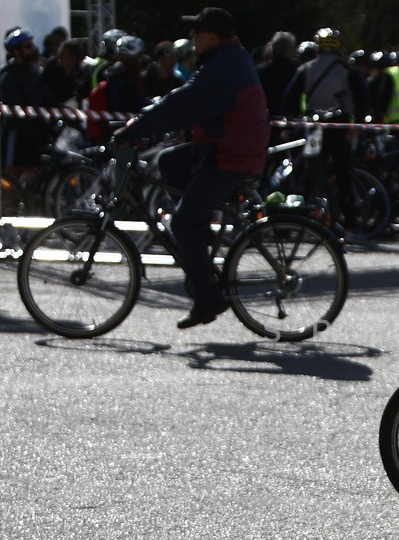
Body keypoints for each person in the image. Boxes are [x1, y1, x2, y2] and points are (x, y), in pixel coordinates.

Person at [113, 7, 270, 329]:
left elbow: (184, 102)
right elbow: (182, 100)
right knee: (168, 160)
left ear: (211, 36)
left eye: (195, 32)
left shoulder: (223, 67)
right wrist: (148, 117)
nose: (191, 38)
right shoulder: (225, 59)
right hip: (224, 146)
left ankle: (208, 297)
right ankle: (199, 231)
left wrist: (134, 130)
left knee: (182, 223)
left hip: (231, 155)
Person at [281, 28, 360, 229]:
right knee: (343, 174)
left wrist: (290, 123)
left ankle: (303, 216)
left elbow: (288, 98)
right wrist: (356, 123)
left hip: (314, 127)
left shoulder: (307, 69)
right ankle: (350, 219)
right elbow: (362, 98)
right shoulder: (346, 70)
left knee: (311, 172)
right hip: (340, 126)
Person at [0, 28, 59, 179]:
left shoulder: (33, 73)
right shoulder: (8, 75)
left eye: (31, 45)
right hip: (17, 135)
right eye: (27, 47)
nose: (33, 49)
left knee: (33, 179)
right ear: (16, 51)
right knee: (12, 176)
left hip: (36, 135)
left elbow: (48, 98)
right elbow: (16, 108)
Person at [255, 31, 297, 117]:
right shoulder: (295, 70)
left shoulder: (259, 70)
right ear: (287, 49)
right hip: (289, 117)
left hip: (264, 116)